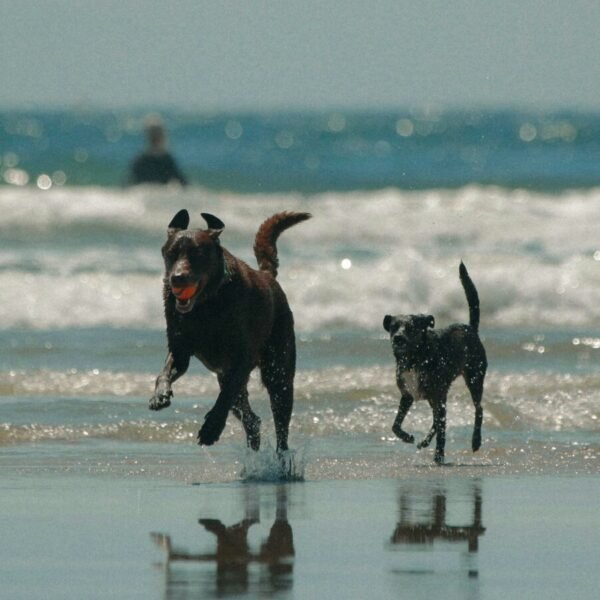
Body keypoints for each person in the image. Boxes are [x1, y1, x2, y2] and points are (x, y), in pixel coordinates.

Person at [129, 115, 187, 185]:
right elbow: (182, 183)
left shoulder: (140, 160)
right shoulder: (166, 160)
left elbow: (130, 183)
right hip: (160, 194)